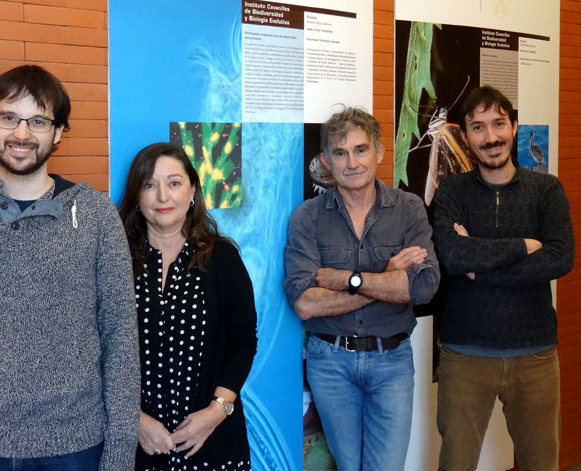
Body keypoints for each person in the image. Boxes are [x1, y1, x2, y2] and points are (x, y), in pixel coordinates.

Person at [0, 65, 140, 470]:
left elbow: (121, 336)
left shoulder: (96, 216)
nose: (21, 134)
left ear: (58, 132)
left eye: (38, 121)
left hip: (76, 444)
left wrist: (121, 452)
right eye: (9, 117)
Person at [284, 107, 440, 470]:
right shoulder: (307, 216)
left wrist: (347, 280)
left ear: (379, 152)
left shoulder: (409, 209)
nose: (352, 163)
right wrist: (387, 277)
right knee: (349, 466)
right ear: (326, 161)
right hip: (330, 364)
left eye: (360, 150)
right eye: (340, 153)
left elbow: (423, 286)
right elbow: (305, 304)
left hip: (393, 362)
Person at [433, 86, 574, 471]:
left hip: (535, 353)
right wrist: (524, 246)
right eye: (478, 127)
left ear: (514, 126)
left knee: (540, 463)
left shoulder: (546, 190)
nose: (490, 137)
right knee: (456, 464)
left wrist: (478, 267)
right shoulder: (452, 191)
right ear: (465, 136)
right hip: (465, 353)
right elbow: (453, 255)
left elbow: (560, 258)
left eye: (498, 124)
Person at [118, 142, 257, 471]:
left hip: (211, 442)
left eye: (174, 183)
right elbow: (97, 348)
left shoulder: (222, 258)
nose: (162, 196)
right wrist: (134, 420)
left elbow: (243, 342)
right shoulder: (115, 259)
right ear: (136, 196)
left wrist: (216, 412)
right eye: (149, 185)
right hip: (136, 445)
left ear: (192, 191)